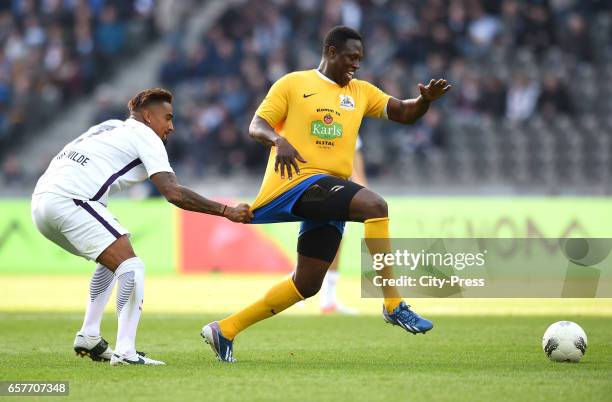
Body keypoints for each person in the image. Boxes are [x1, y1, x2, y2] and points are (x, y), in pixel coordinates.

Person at [201, 26, 450, 362]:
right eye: (351, 57)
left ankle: (225, 329)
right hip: (297, 184)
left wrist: (424, 101)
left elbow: (404, 112)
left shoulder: (360, 92)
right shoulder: (293, 84)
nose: (356, 64)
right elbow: (256, 126)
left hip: (329, 192)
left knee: (307, 283)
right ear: (331, 52)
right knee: (376, 205)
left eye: (360, 59)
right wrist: (278, 140)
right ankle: (393, 304)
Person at [31, 88, 252, 366]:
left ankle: (89, 334)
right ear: (148, 116)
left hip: (41, 201)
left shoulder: (108, 126)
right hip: (70, 200)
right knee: (132, 267)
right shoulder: (146, 135)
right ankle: (125, 352)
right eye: (168, 118)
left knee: (114, 257)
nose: (171, 126)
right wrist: (226, 210)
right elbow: (173, 193)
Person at [319, 136, 366, 315]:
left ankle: (328, 300)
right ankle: (298, 288)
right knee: (327, 242)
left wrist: (361, 182)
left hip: (344, 188)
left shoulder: (350, 118)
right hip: (325, 186)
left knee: (335, 242)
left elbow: (354, 152)